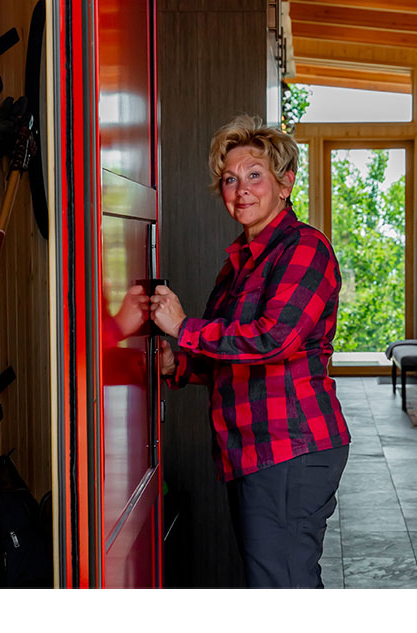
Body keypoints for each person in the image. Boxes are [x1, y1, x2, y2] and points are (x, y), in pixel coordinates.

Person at [149, 114, 351, 588]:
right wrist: (178, 362)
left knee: (281, 587)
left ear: (285, 183)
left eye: (254, 175)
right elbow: (230, 355)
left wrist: (183, 329)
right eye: (229, 179)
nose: (241, 189)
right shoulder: (238, 262)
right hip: (251, 449)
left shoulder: (304, 248)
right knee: (275, 582)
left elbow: (273, 338)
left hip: (289, 448)